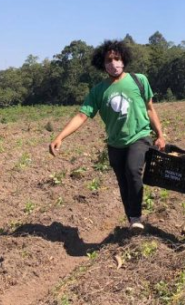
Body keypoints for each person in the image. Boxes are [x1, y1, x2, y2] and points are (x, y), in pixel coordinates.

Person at [49, 40, 166, 231]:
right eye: (109, 60)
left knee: (133, 170)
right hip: (115, 144)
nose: (114, 63)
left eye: (117, 58)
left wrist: (160, 135)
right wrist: (60, 137)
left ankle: (136, 216)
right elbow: (81, 115)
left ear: (124, 59)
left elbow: (150, 109)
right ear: (103, 65)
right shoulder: (98, 91)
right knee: (123, 182)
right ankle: (132, 219)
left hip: (140, 136)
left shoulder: (139, 80)